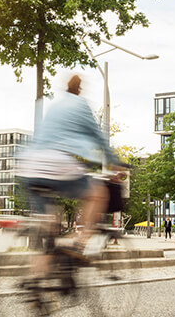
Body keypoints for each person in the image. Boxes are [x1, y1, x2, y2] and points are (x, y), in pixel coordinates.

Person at [18, 74, 123, 259]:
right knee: (97, 194)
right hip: (57, 163)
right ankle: (79, 242)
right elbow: (98, 137)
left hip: (30, 165)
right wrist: (113, 163)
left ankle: (37, 281)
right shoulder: (81, 105)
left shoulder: (55, 106)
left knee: (48, 226)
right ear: (79, 89)